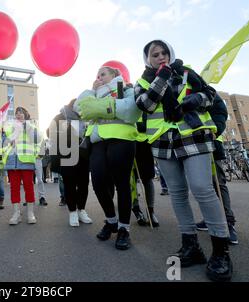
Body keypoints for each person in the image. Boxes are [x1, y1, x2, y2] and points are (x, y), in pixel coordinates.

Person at [135, 39, 232, 281]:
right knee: (177, 194)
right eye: (154, 54)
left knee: (202, 188)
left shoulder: (187, 71)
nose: (160, 56)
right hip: (162, 141)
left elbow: (210, 95)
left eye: (164, 52)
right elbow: (145, 104)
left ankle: (221, 251)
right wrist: (163, 75)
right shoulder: (143, 81)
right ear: (147, 59)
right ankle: (191, 246)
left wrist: (192, 101)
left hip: (193, 136)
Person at [77, 62, 142, 250]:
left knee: (122, 184)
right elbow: (80, 108)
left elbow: (131, 111)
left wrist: (97, 108)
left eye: (103, 74)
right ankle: (111, 221)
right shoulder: (93, 92)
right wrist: (94, 93)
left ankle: (124, 229)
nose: (99, 78)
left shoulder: (127, 88)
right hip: (98, 140)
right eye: (97, 75)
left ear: (114, 75)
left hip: (122, 139)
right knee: (97, 182)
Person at [196, 94, 238, 245]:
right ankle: (210, 219)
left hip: (213, 140)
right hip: (192, 144)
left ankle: (228, 223)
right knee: (202, 186)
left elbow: (220, 110)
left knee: (218, 183)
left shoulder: (206, 89)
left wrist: (217, 130)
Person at [48, 99, 92, 227]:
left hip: (83, 156)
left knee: (84, 184)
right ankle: (72, 212)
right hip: (67, 156)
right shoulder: (61, 117)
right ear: (71, 106)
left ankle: (81, 210)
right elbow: (49, 132)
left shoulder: (86, 118)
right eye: (77, 105)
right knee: (70, 184)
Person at [2, 107, 40, 225]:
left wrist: (26, 126)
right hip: (12, 161)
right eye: (16, 113)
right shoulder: (10, 128)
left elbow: (37, 140)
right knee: (14, 187)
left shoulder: (31, 127)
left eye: (21, 113)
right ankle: (16, 213)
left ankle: (30, 213)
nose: (18, 115)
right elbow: (5, 141)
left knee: (28, 186)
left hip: (27, 161)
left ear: (25, 115)